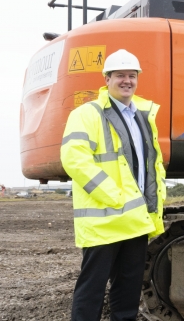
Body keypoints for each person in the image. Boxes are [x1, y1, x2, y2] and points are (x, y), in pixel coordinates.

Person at [60, 49, 166, 321]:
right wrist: (114, 196)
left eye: (132, 75)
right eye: (120, 75)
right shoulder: (88, 114)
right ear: (106, 79)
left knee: (128, 292)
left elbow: (150, 165)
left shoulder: (142, 116)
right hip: (105, 219)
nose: (127, 81)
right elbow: (74, 159)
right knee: (91, 291)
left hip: (134, 219)